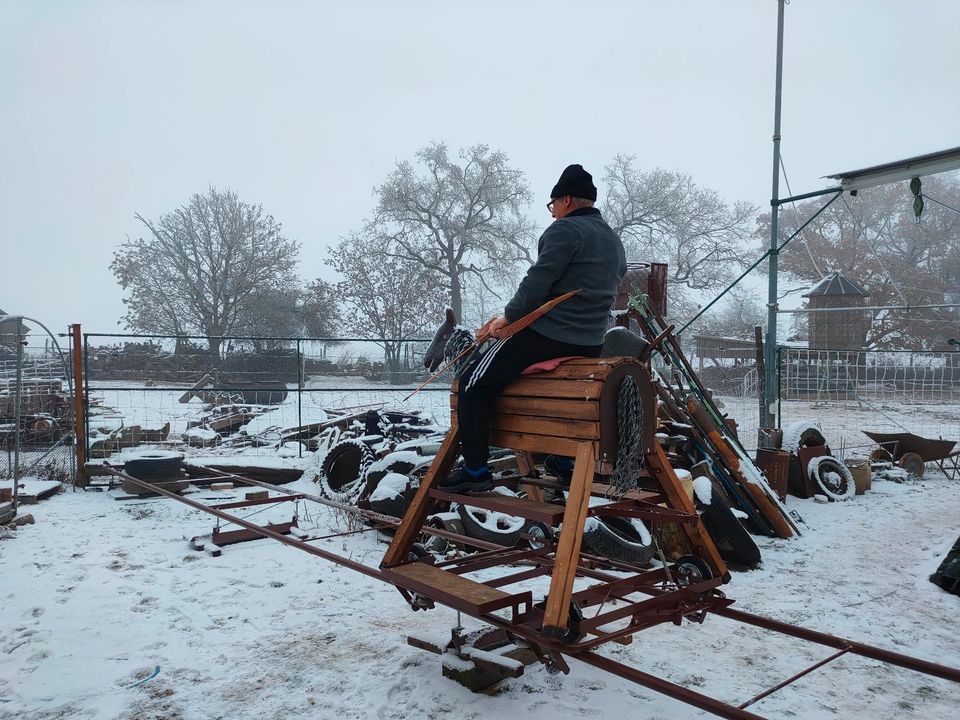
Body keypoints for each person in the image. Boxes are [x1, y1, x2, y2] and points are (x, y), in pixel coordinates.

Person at [441, 163, 627, 492]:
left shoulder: (564, 231)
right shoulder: (612, 239)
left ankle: (474, 470)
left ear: (566, 200)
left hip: (548, 336)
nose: (553, 212)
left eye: (553, 204)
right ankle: (563, 459)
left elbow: (537, 283)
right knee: (559, 395)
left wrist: (507, 319)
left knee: (470, 383)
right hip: (591, 342)